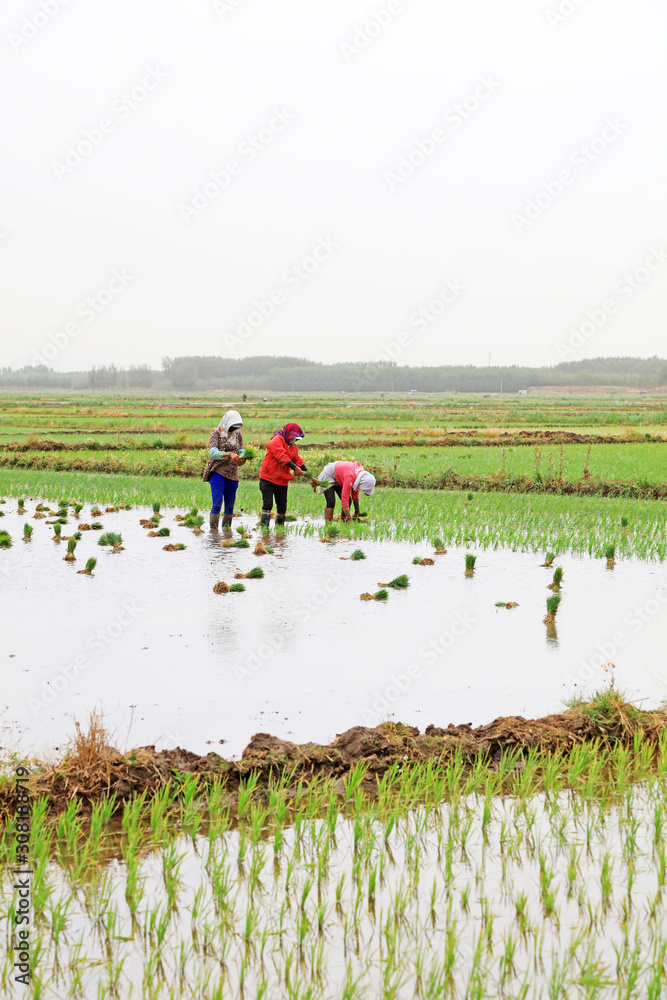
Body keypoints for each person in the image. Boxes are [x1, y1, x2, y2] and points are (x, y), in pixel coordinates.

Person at [258, 422, 308, 527]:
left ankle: (279, 532)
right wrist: (295, 468)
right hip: (268, 477)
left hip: (282, 479)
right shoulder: (276, 441)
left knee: (282, 507)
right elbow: (282, 457)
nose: (295, 441)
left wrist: (306, 471)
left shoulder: (293, 446)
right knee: (268, 504)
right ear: (289, 434)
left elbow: (296, 458)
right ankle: (264, 531)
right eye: (295, 438)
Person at [202, 410, 245, 530]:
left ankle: (227, 533)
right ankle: (214, 532)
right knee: (217, 504)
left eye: (237, 426)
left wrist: (242, 458)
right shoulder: (216, 434)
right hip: (218, 471)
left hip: (233, 473)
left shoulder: (238, 435)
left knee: (230, 506)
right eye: (233, 426)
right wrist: (229, 454)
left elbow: (241, 451)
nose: (234, 428)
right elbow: (214, 453)